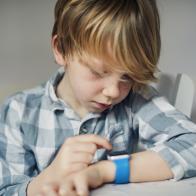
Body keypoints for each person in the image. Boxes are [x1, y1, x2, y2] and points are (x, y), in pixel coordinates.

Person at [0, 0, 196, 195]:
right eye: (99, 72)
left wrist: (104, 171)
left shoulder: (135, 100)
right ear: (61, 49)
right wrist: (45, 180)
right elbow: (6, 190)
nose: (113, 91)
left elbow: (192, 144)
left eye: (127, 76)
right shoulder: (18, 113)